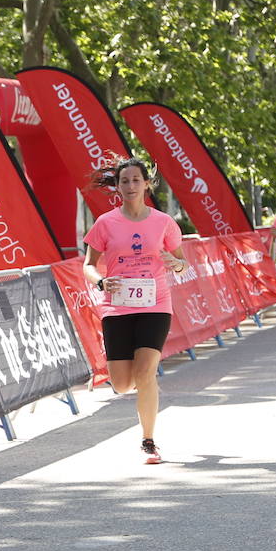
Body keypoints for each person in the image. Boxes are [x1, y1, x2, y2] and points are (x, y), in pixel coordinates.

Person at [82, 156, 188, 465]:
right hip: (117, 306)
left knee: (146, 372)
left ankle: (148, 441)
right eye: (124, 181)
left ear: (147, 184)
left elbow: (182, 263)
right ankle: (136, 385)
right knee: (123, 383)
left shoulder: (163, 222)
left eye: (136, 180)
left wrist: (175, 263)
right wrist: (101, 281)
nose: (130, 186)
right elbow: (88, 265)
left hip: (156, 304)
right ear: (117, 186)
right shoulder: (105, 223)